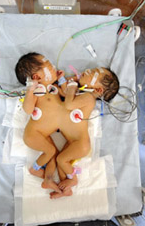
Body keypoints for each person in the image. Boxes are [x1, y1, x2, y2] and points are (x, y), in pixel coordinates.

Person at [50, 67, 120, 199]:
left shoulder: (89, 98)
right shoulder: (82, 95)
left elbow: (69, 105)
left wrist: (71, 86)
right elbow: (66, 95)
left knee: (61, 159)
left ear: (98, 90)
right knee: (60, 162)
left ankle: (74, 180)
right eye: (92, 69)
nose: (88, 70)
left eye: (93, 73)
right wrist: (61, 81)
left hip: (80, 144)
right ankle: (66, 189)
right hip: (74, 142)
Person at [15, 52, 65, 193]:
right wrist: (30, 90)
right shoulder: (37, 91)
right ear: (36, 78)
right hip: (33, 134)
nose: (54, 68)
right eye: (50, 67)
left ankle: (48, 179)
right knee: (50, 151)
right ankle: (34, 169)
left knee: (53, 154)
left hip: (44, 134)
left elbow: (67, 95)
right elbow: (28, 109)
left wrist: (62, 80)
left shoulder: (53, 87)